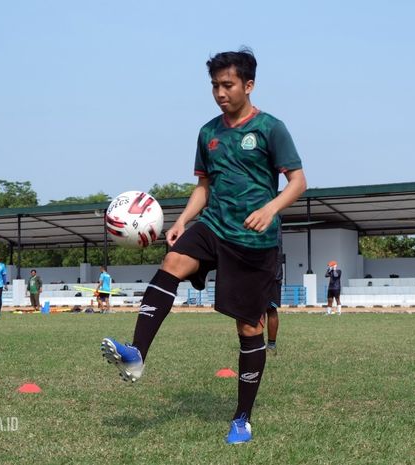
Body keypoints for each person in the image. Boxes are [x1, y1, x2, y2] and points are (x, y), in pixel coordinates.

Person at [100, 48, 306, 445]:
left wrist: (271, 207)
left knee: (249, 328)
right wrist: (181, 221)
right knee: (172, 261)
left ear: (248, 85)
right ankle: (137, 353)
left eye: (227, 85)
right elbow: (204, 187)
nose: (219, 93)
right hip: (214, 225)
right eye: (214, 85)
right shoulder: (208, 132)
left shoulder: (270, 128)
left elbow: (298, 181)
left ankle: (242, 418)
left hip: (253, 239)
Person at [266, 224, 283, 355]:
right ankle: (268, 345)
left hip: (268, 271)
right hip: (273, 272)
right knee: (270, 309)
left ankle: (270, 344)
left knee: (268, 310)